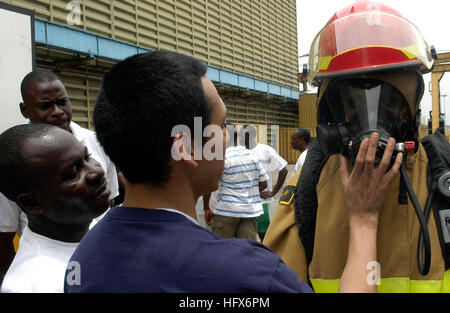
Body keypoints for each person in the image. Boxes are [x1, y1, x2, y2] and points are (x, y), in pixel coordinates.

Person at [64, 50, 400, 293]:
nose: (227, 138)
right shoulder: (247, 276)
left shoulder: (86, 257)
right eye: (221, 125)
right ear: (186, 148)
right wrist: (364, 218)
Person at [263, 0, 450, 292]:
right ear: (331, 112)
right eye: (351, 102)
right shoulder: (311, 185)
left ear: (411, 105)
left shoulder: (442, 181)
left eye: (389, 101)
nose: (371, 121)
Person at [0, 70, 119, 281]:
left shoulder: (97, 140)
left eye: (62, 102)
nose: (58, 112)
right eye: (46, 105)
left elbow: (109, 205)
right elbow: (3, 238)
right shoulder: (16, 163)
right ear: (25, 109)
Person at [0, 124, 111, 292]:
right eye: (73, 172)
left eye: (87, 156)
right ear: (32, 203)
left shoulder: (94, 230)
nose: (96, 172)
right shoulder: (29, 285)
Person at [203, 126, 269, 240]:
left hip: (227, 211)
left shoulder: (222, 157)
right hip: (250, 212)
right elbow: (264, 184)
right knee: (246, 250)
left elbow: (210, 185)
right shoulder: (252, 155)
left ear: (225, 137)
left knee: (222, 249)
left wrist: (206, 208)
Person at [241, 125, 288, 242]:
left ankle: (267, 254)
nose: (241, 137)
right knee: (247, 234)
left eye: (244, 135)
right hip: (244, 201)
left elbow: (284, 169)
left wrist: (273, 192)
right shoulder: (240, 151)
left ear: (251, 135)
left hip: (261, 201)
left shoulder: (265, 150)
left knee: (264, 235)